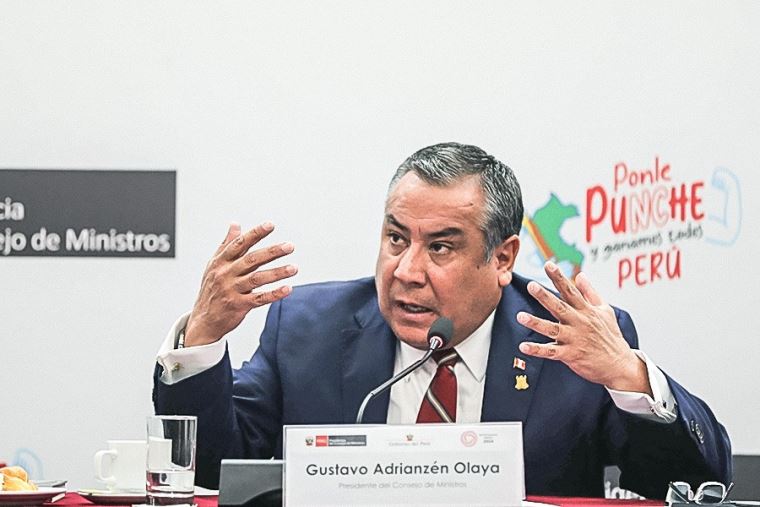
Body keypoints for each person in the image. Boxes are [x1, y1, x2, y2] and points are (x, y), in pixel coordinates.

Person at [153, 142, 731, 498]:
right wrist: (202, 338)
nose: (406, 271)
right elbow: (209, 473)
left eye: (441, 247)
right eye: (395, 238)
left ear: (502, 258)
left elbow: (693, 483)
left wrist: (628, 377)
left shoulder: (567, 341)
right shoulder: (307, 327)